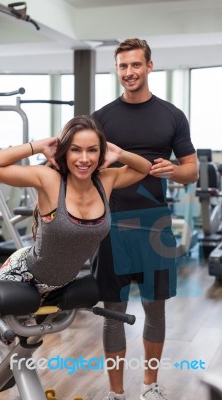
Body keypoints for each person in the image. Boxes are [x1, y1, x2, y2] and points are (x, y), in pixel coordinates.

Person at [0, 115, 152, 387]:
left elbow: (144, 168)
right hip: (26, 272)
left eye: (92, 150)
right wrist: (38, 146)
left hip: (61, 282)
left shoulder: (105, 181)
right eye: (76, 149)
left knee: (20, 331)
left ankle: (1, 340)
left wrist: (119, 153)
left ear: (101, 152)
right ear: (64, 151)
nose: (84, 158)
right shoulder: (49, 180)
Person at [91, 38, 199, 400]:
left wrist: (172, 171)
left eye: (135, 65)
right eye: (122, 66)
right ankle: (116, 393)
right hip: (111, 223)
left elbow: (192, 172)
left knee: (156, 310)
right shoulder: (102, 118)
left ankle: (150, 388)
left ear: (149, 66)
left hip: (155, 223)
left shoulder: (171, 115)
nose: (129, 72)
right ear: (117, 69)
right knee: (113, 312)